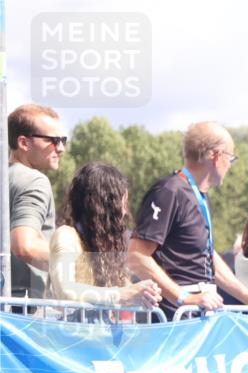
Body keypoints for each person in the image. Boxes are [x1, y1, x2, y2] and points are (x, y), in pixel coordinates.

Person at [127, 121, 248, 320]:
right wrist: (184, 298)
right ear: (216, 156)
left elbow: (207, 256)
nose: (230, 166)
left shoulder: (198, 194)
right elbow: (137, 256)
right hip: (173, 317)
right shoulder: (169, 191)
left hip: (198, 312)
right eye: (231, 158)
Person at [49, 162, 161, 310]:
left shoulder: (104, 244)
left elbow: (125, 289)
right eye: (122, 204)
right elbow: (65, 291)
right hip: (67, 331)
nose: (125, 212)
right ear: (105, 206)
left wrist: (144, 292)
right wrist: (123, 294)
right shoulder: (66, 236)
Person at [7, 104, 65, 300]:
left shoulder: (6, 177)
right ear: (23, 143)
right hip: (21, 315)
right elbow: (25, 245)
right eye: (53, 140)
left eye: (63, 140)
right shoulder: (34, 181)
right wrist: (82, 264)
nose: (61, 148)